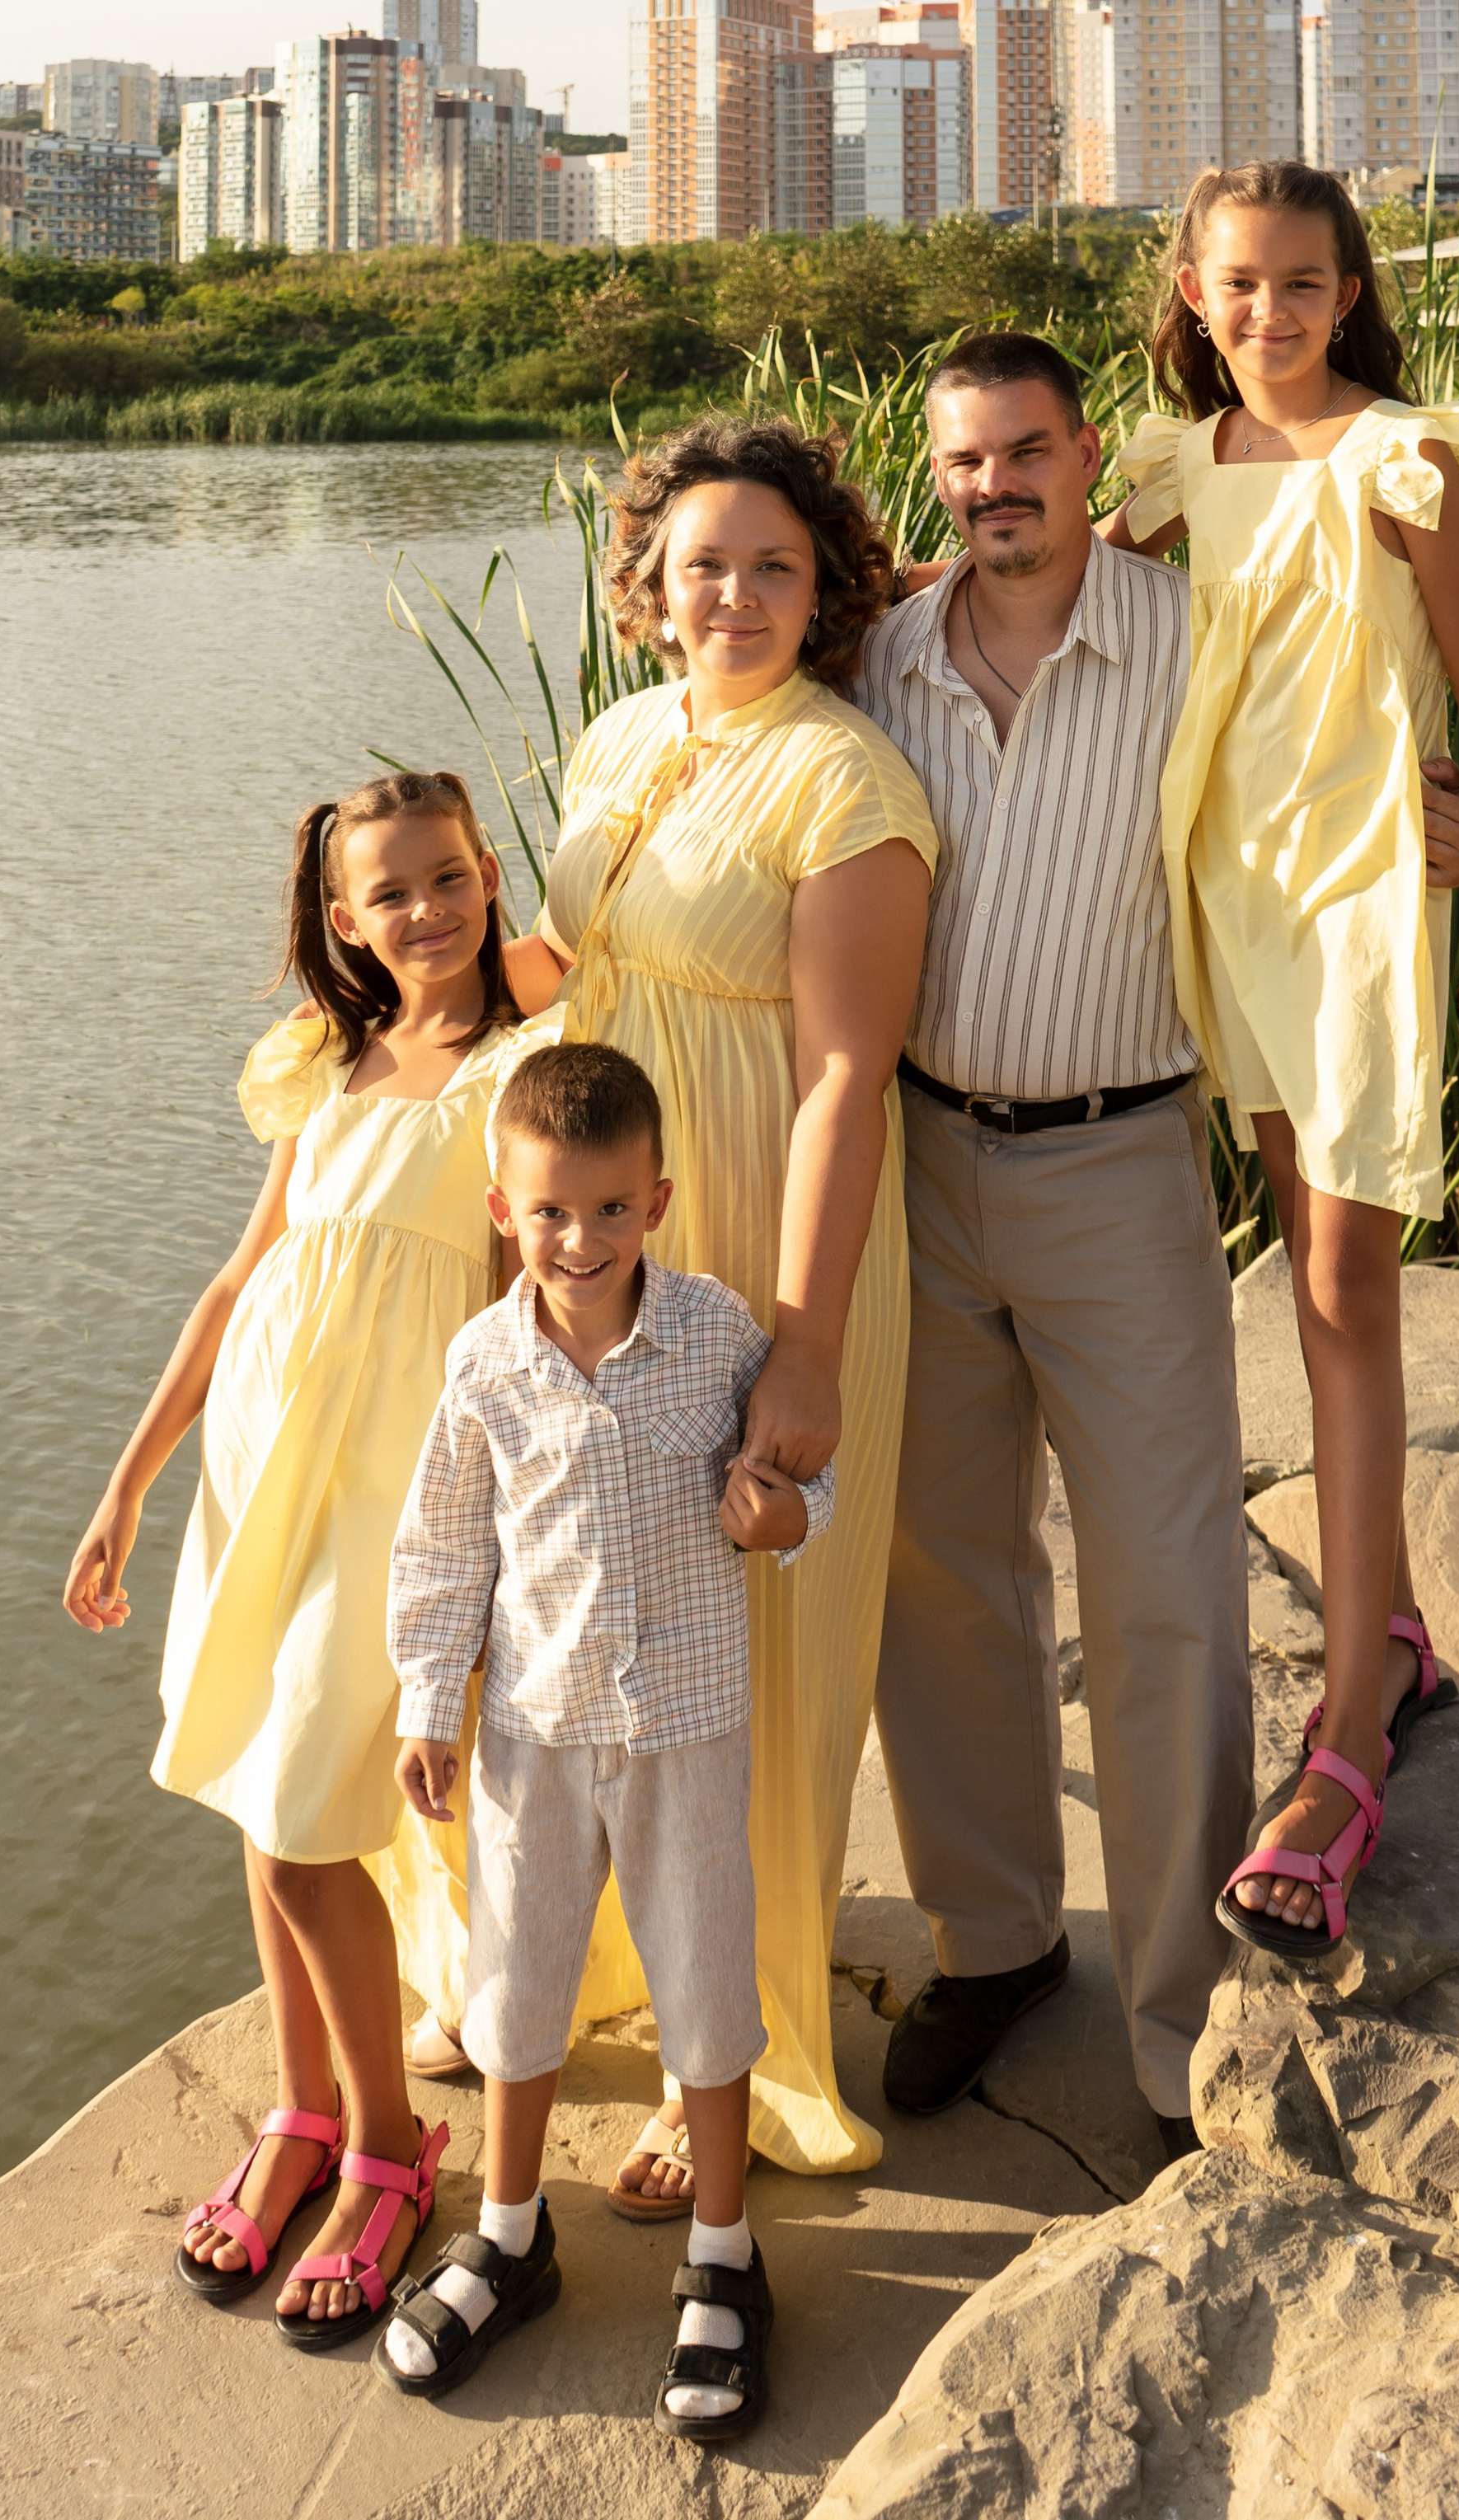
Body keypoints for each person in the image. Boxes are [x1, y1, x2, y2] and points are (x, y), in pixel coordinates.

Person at [854, 329, 1459, 2142]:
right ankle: (988, 1939)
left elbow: (1336, 754)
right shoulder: (880, 660)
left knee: (1163, 1594)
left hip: (1114, 1163)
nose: (996, 488)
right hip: (918, 1157)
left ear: (1089, 457)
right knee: (941, 1572)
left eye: (1026, 452)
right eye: (963, 462)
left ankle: (1175, 2017)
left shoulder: (1193, 631)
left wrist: (1420, 824)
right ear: (937, 475)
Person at [395, 413, 935, 2205]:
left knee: (751, 1666)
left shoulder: (845, 781)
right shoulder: (630, 733)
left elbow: (849, 1075)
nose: (733, 592)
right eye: (701, 561)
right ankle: (605, 1973)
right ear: (645, 584)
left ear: (824, 584)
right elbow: (567, 961)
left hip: (761, 1231)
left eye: (773, 563)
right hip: (596, 1237)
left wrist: (800, 1333)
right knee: (581, 1613)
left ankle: (750, 2049)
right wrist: (388, 1008)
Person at [1107, 162, 1459, 1958]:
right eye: (1236, 284)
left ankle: (1350, 1724)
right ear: (1191, 297)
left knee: (1346, 1282)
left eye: (1300, 282)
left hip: (1363, 904)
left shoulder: (1405, 461)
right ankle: (1397, 1624)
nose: (1268, 312)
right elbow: (1019, 591)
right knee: (1303, 1271)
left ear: (1347, 289)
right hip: (1224, 904)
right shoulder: (1163, 473)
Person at [61, 767, 546, 2347]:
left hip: (394, 1498)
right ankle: (307, 2110)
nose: (429, 911)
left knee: (301, 1828)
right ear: (345, 920)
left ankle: (397, 2150)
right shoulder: (334, 1069)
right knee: (254, 1798)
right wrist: (131, 1480)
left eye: (452, 875)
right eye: (391, 891)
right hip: (266, 1474)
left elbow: (507, 1312)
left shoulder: (515, 1066)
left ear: (492, 874)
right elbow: (235, 1285)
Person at [381, 1041, 825, 2441]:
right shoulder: (484, 1363)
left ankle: (721, 2250)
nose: (583, 1241)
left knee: (702, 1976)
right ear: (505, 1209)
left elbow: (796, 1484)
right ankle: (511, 2234)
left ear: (661, 1199)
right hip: (530, 1724)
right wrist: (424, 1693)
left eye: (613, 1210)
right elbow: (445, 1543)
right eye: (553, 1212)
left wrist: (780, 1519)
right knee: (517, 1981)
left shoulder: (715, 1334)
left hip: (687, 1722)